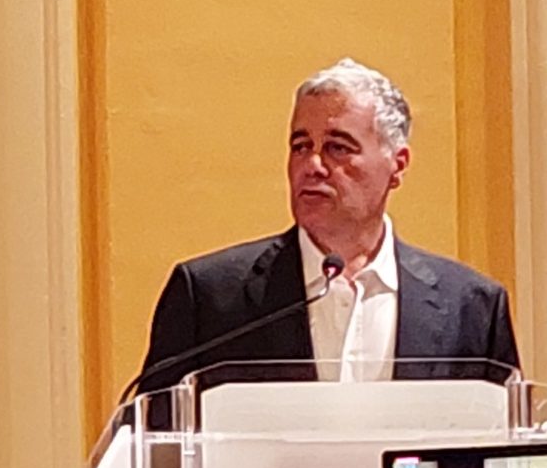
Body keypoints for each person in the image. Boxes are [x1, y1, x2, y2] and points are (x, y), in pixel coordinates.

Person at [134, 59, 519, 396]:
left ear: (397, 164)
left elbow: (503, 444)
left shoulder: (471, 307)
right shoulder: (210, 298)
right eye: (301, 146)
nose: (313, 165)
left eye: (338, 148)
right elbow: (154, 438)